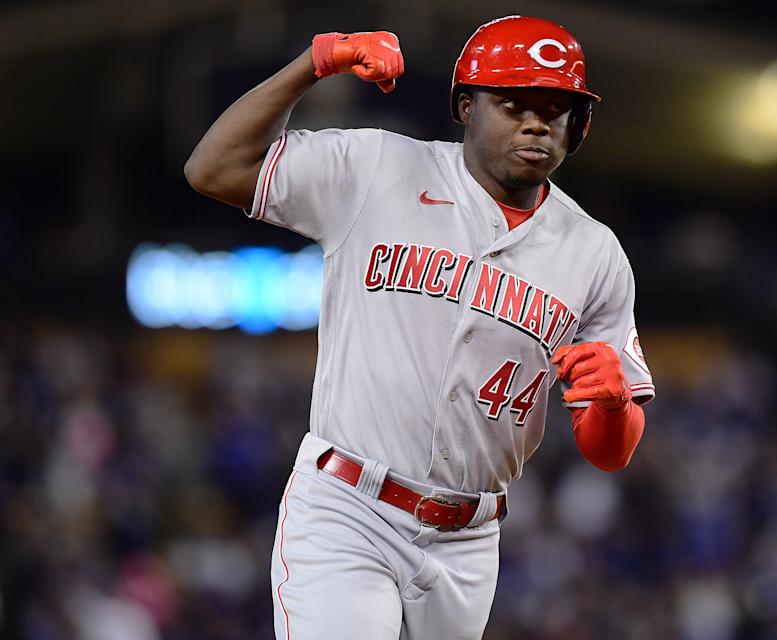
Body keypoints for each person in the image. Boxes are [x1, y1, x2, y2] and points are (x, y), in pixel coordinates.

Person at [184, 15, 655, 640]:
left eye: (556, 108)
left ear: (581, 124)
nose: (537, 122)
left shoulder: (596, 254)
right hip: (349, 507)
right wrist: (311, 66)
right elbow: (212, 169)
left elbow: (610, 452)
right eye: (513, 103)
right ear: (466, 105)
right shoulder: (378, 168)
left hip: (470, 539)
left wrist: (616, 404)